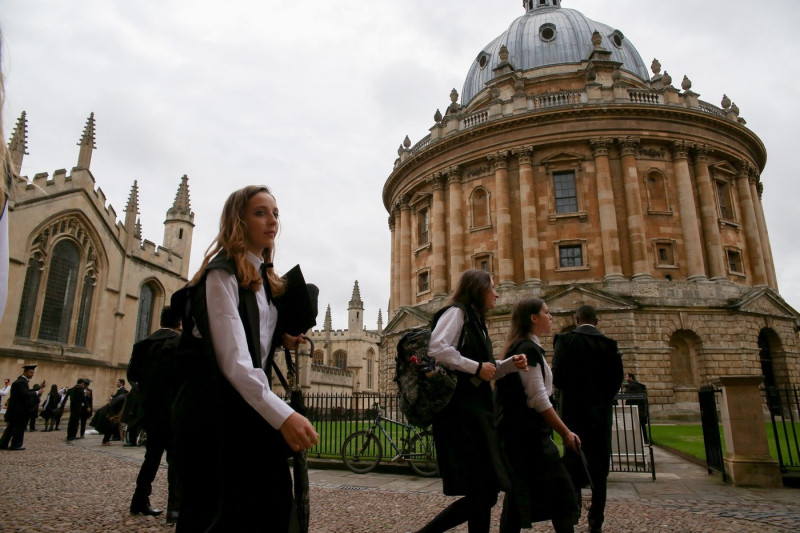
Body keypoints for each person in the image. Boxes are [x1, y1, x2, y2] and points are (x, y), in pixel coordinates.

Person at [171, 185, 318, 532]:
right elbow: (234, 360)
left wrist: (281, 337)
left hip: (248, 410)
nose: (272, 221)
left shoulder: (263, 280)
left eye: (275, 213)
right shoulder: (221, 274)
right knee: (219, 513)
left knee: (272, 507)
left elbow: (253, 337)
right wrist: (285, 416)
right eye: (261, 212)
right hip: (219, 417)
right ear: (239, 220)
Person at [413, 269, 523, 533]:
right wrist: (475, 368)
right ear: (478, 289)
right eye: (492, 288)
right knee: (484, 493)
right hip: (461, 415)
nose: (497, 293)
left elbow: (485, 366)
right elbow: (437, 348)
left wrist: (508, 365)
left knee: (483, 491)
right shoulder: (457, 313)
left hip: (477, 413)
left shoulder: (475, 320)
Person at [496, 298, 580, 533]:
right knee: (561, 497)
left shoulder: (526, 348)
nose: (551, 316)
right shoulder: (527, 350)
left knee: (519, 499)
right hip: (530, 440)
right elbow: (538, 399)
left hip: (522, 439)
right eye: (546, 312)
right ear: (533, 318)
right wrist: (565, 432)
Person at [552, 305, 623, 533]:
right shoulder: (610, 345)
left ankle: (572, 513)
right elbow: (616, 381)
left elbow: (558, 378)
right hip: (600, 417)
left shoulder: (564, 341)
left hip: (573, 417)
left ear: (576, 319)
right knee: (599, 471)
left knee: (572, 468)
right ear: (597, 321)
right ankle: (596, 521)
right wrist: (601, 402)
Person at [127, 306, 183, 523]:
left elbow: (133, 376)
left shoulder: (141, 345)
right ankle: (175, 509)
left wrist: (147, 395)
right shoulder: (180, 343)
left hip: (151, 411)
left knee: (151, 458)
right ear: (179, 323)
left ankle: (139, 500)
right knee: (176, 461)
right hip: (173, 410)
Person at [0, 364, 44, 450]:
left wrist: (38, 388)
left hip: (16, 410)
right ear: (25, 372)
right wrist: (37, 393)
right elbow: (25, 394)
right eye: (31, 372)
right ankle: (16, 445)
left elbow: (26, 391)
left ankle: (2, 444)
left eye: (33, 372)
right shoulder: (21, 382)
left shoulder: (21, 381)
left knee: (11, 428)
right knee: (18, 428)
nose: (32, 374)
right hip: (19, 410)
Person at [623, 373, 649, 443]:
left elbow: (627, 395)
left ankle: (634, 439)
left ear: (631, 378)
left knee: (631, 424)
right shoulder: (639, 385)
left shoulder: (630, 386)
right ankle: (645, 439)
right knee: (641, 425)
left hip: (633, 407)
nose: (626, 378)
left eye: (627, 377)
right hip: (640, 407)